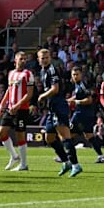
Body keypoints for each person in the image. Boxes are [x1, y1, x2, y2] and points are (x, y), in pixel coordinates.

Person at [37, 48, 82, 177]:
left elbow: (55, 89)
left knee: (64, 136)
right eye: (42, 58)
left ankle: (75, 165)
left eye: (46, 57)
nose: (44, 60)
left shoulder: (52, 70)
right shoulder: (43, 71)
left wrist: (42, 96)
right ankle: (66, 161)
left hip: (59, 106)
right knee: (49, 138)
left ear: (50, 58)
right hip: (52, 108)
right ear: (38, 59)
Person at [0, 51, 33, 171]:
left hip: (21, 109)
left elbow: (29, 94)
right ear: (15, 60)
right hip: (10, 108)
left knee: (20, 135)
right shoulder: (11, 73)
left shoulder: (28, 74)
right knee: (1, 133)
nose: (23, 61)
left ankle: (24, 164)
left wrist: (17, 105)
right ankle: (14, 156)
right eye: (21, 59)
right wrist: (2, 104)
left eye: (25, 59)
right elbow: (9, 90)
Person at [67, 66, 104, 163]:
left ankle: (66, 156)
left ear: (81, 75)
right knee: (89, 136)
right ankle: (100, 156)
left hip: (81, 114)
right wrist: (68, 100)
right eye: (73, 75)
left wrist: (76, 102)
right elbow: (78, 95)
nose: (75, 76)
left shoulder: (83, 85)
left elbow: (89, 100)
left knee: (67, 134)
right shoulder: (77, 85)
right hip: (86, 114)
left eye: (77, 74)